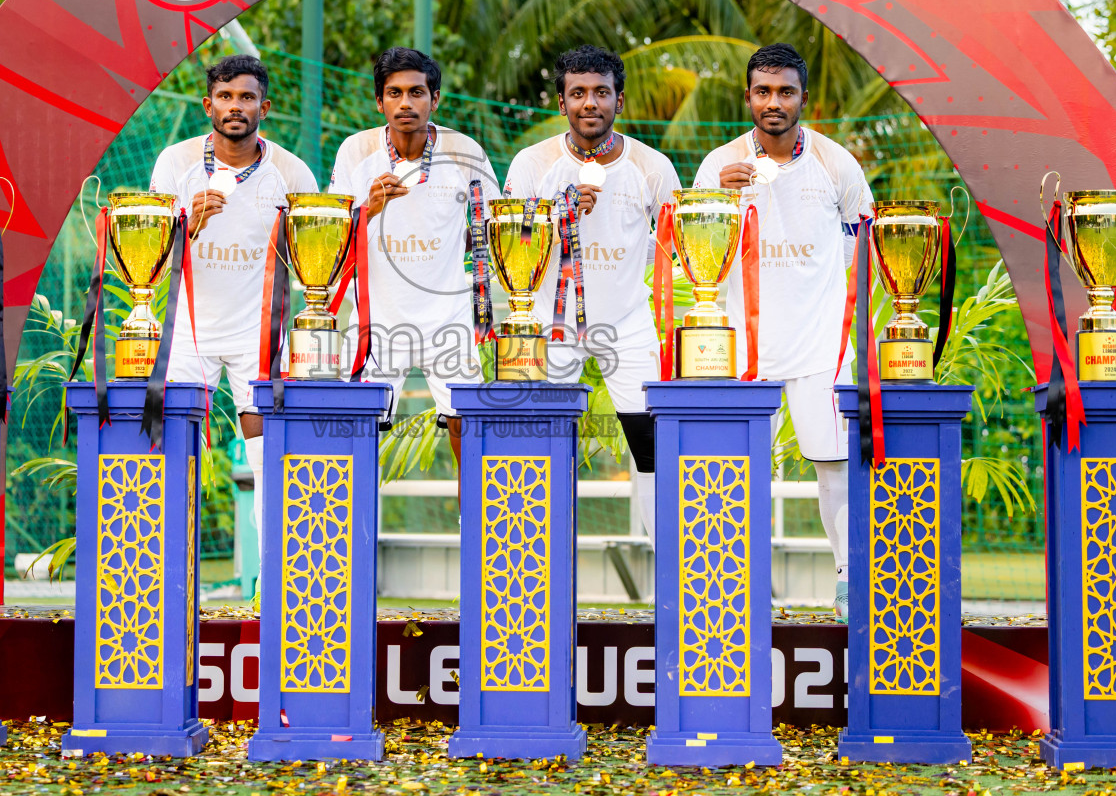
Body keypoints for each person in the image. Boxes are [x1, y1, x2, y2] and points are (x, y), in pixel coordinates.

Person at [693, 42, 873, 622]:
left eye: (785, 91)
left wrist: (828, 299)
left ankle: (849, 580)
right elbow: (696, 254)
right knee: (734, 468)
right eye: (763, 91)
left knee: (835, 465)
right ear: (747, 97)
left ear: (803, 98)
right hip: (743, 347)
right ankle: (731, 588)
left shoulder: (836, 163)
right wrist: (718, 198)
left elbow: (862, 244)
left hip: (821, 344)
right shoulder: (719, 164)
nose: (774, 102)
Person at [503, 45, 681, 541]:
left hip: (627, 325)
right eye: (578, 93)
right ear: (562, 103)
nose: (590, 103)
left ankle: (670, 567)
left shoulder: (652, 166)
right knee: (536, 451)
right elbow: (508, 251)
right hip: (548, 324)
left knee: (653, 450)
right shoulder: (533, 163)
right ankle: (532, 565)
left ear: (619, 100)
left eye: (601, 92)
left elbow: (675, 248)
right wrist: (553, 213)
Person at [149, 53, 318, 550]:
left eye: (246, 97)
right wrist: (188, 224)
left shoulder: (291, 172)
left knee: (269, 458)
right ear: (208, 105)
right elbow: (148, 258)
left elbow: (314, 257)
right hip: (189, 329)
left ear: (264, 107)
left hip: (258, 334)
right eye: (225, 96)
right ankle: (166, 571)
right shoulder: (176, 163)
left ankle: (273, 574)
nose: (235, 106)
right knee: (170, 448)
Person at [329, 47, 501, 458]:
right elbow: (332, 237)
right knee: (357, 430)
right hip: (378, 322)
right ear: (379, 101)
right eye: (394, 93)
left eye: (416, 92)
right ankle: (359, 506)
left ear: (434, 99)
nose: (405, 102)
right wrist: (367, 210)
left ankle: (471, 504)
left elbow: (493, 227)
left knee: (468, 428)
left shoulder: (464, 150)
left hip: (448, 321)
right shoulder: (356, 150)